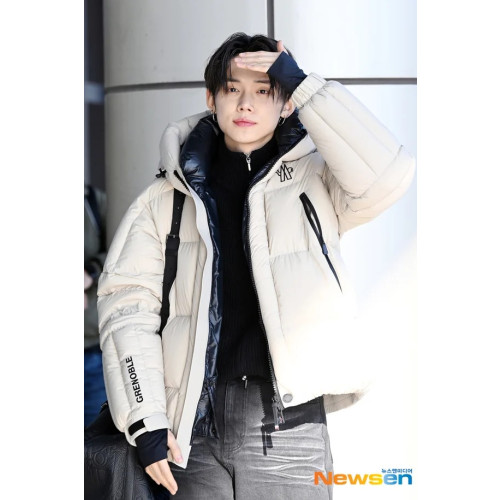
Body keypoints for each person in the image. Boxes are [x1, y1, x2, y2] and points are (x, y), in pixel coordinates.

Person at [97, 32, 415, 498]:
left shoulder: (316, 181)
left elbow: (387, 175)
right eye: (232, 88)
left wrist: (303, 84)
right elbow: (128, 307)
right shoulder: (165, 199)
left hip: (289, 428)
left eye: (264, 90)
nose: (245, 104)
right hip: (192, 429)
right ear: (211, 98)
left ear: (285, 103)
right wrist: (145, 416)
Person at [84, 184, 108, 427]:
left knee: (94, 437)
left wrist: (90, 273)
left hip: (93, 350)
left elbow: (123, 250)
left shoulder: (92, 200)